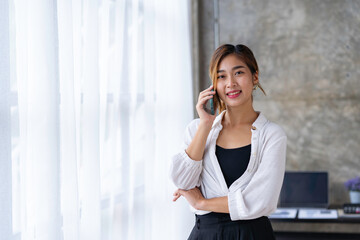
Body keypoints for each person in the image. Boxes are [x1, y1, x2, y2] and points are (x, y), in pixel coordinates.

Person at [170, 44, 287, 239]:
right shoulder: (197, 128)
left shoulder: (272, 135)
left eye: (238, 73)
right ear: (214, 84)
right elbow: (182, 180)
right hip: (205, 234)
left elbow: (262, 201)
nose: (230, 83)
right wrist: (206, 124)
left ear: (254, 77)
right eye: (221, 76)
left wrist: (201, 203)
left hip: (252, 234)